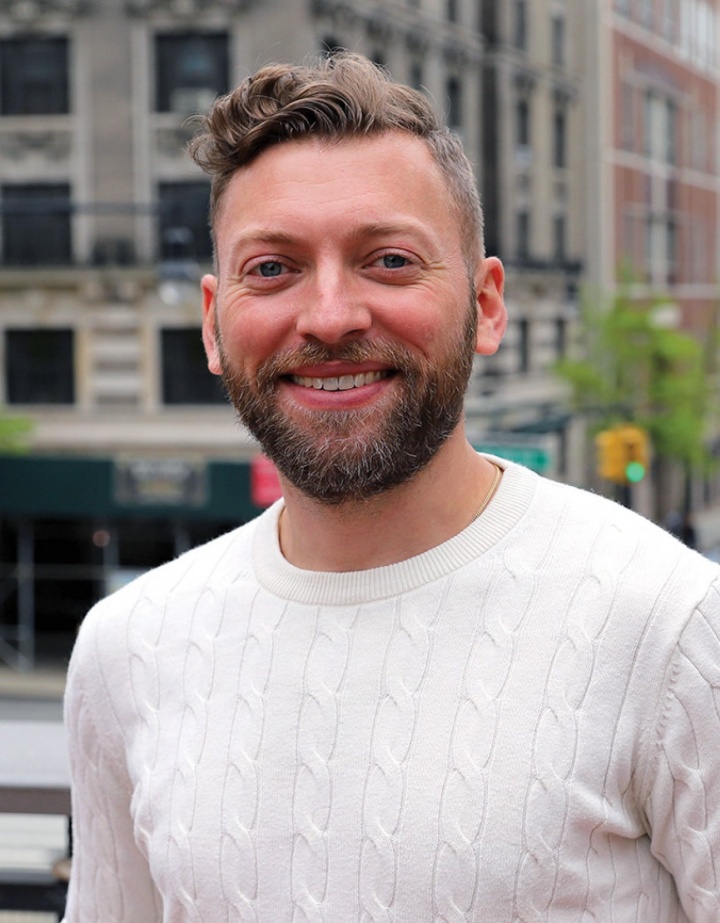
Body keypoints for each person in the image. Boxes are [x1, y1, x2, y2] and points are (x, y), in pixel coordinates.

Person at [62, 53, 720, 922]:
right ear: (214, 326)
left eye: (390, 260)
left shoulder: (671, 627)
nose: (330, 315)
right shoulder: (125, 650)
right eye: (273, 269)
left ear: (486, 305)